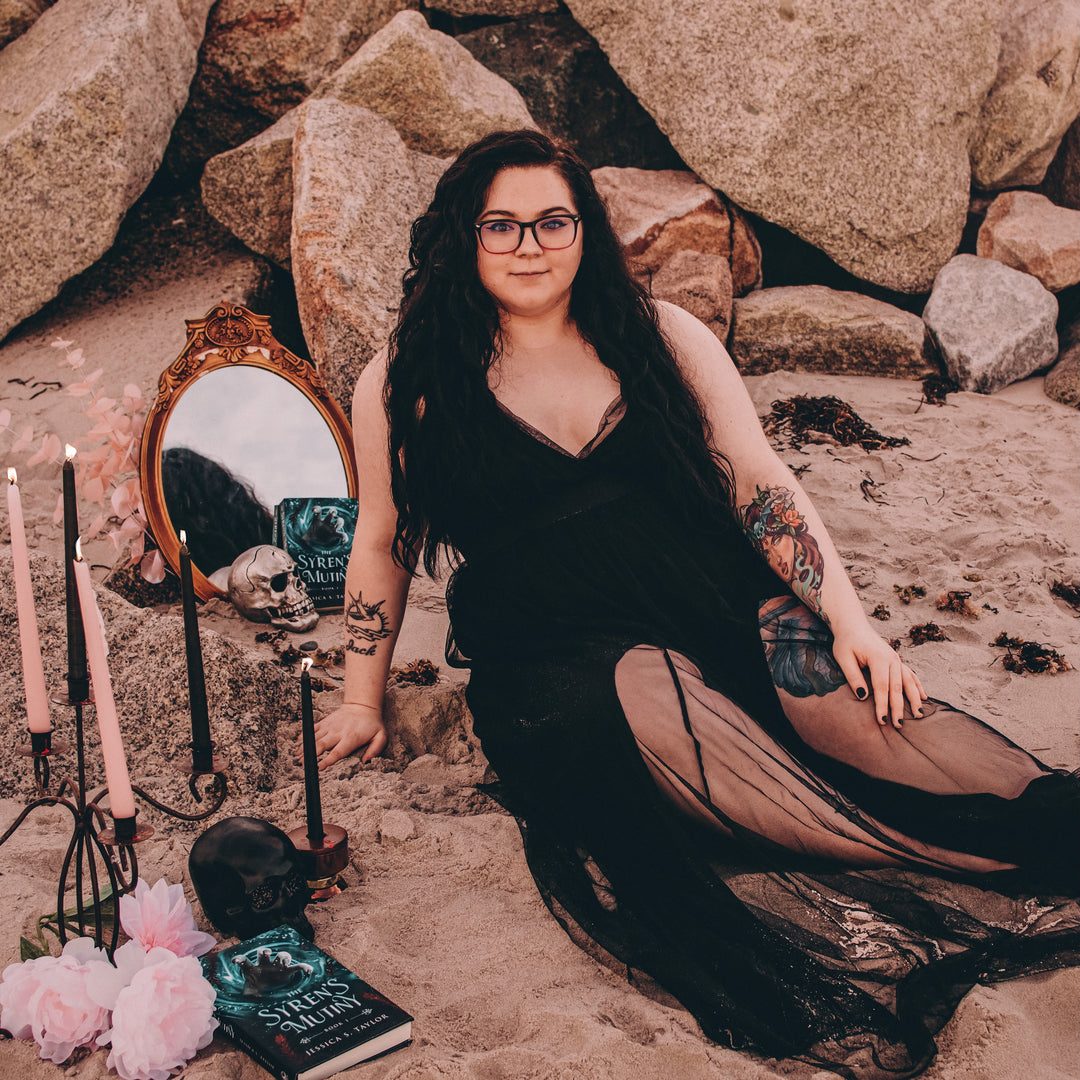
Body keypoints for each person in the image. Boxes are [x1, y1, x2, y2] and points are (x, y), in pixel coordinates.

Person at [312, 130, 1079, 1077]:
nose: (527, 244)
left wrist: (851, 620)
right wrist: (359, 696)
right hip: (555, 654)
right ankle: (975, 871)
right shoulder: (403, 382)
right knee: (679, 714)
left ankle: (1048, 833)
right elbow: (380, 542)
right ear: (464, 240)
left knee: (852, 712)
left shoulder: (664, 336)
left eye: (552, 220)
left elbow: (762, 486)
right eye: (499, 225)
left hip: (709, 593)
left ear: (584, 229)